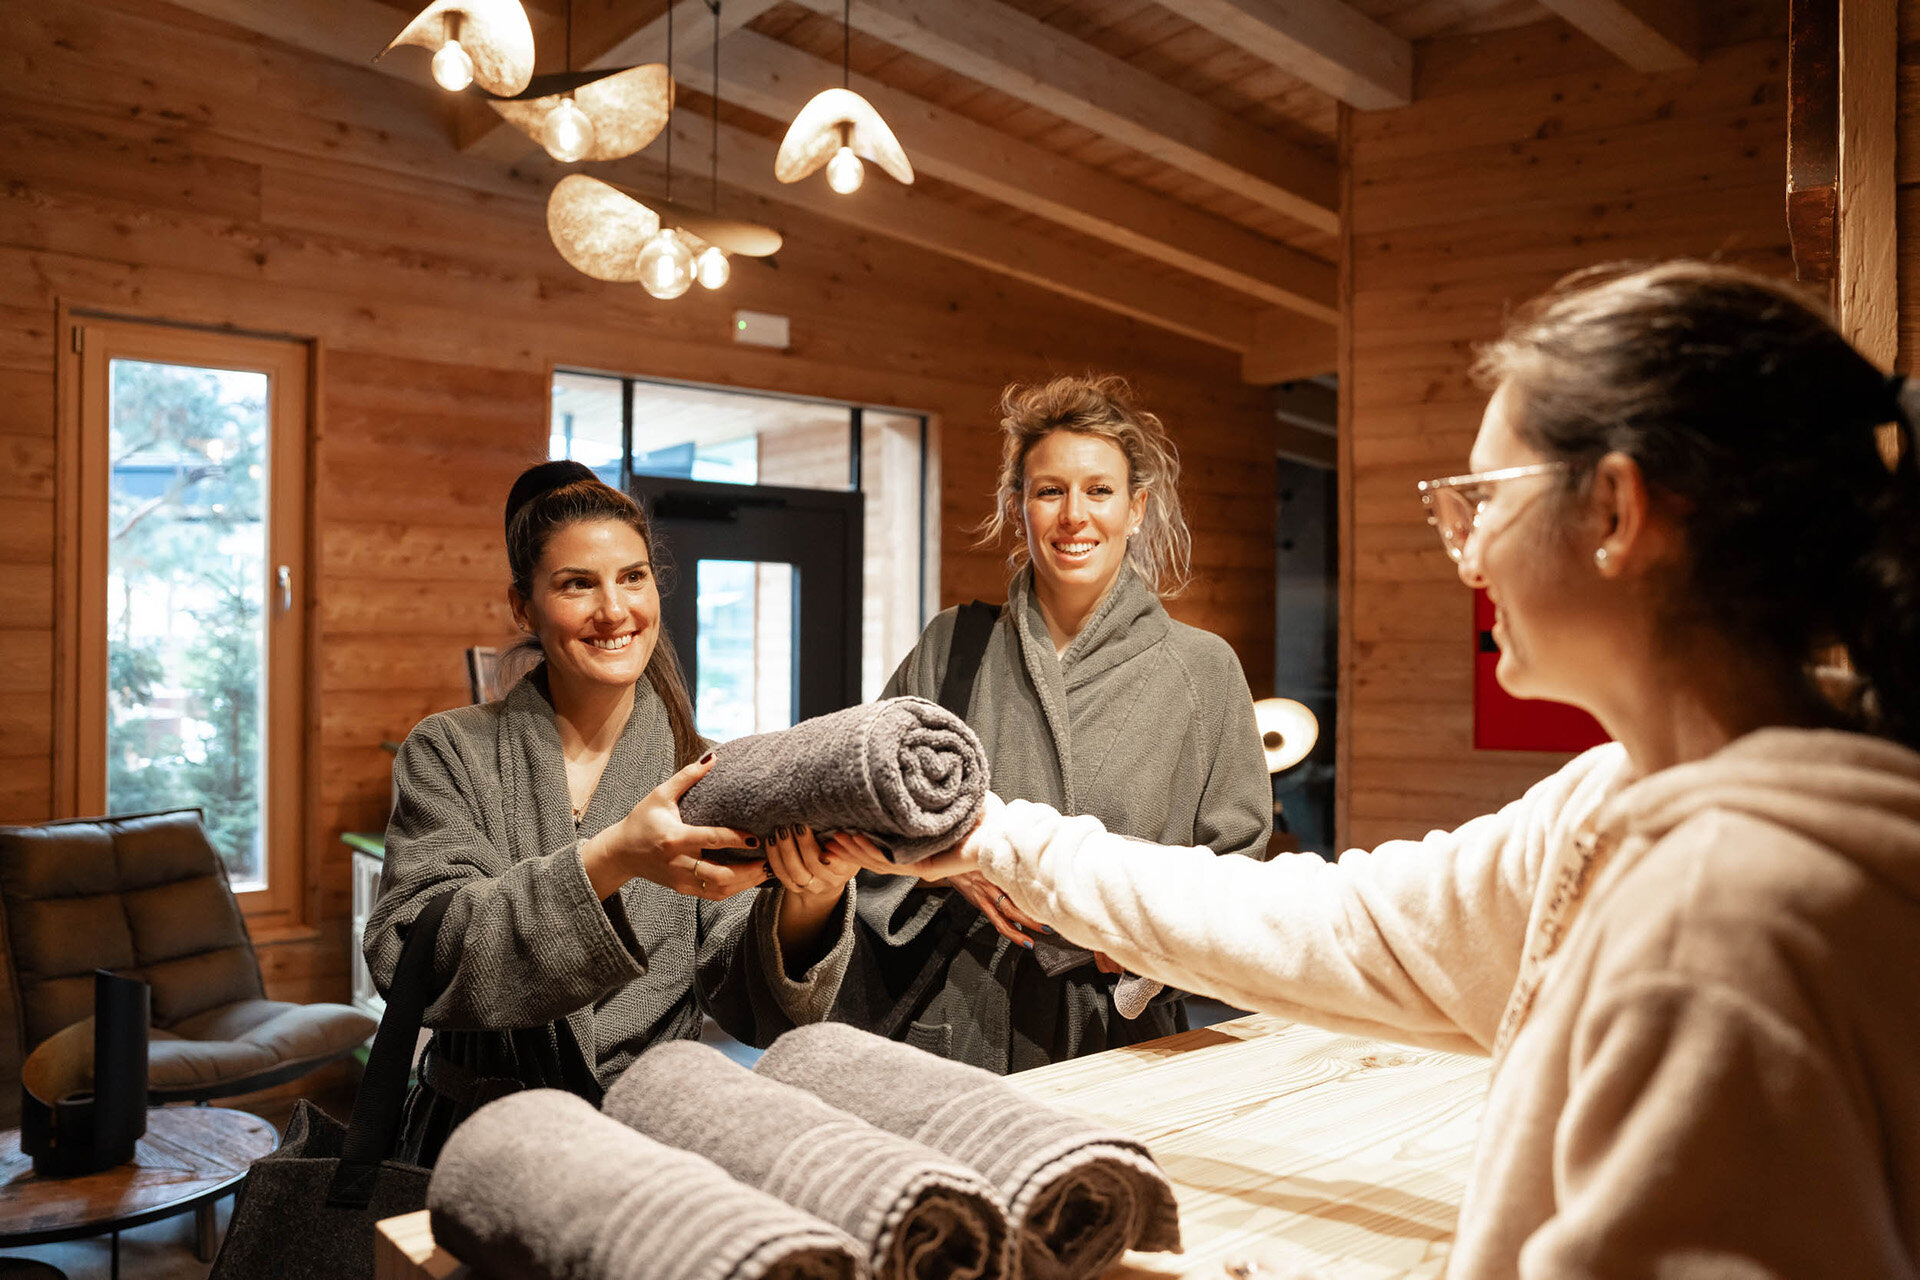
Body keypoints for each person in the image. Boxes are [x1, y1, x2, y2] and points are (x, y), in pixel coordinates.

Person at [832, 262, 1920, 1275]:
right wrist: (996, 839)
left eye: (1485, 495)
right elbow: (1340, 923)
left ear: (1616, 512)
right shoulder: (1609, 800)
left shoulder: (1726, 922)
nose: (1466, 546)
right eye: (1047, 492)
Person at [364, 461, 856, 1164]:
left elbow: (750, 1000)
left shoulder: (704, 769)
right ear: (522, 606)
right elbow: (414, 955)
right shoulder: (451, 751)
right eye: (576, 584)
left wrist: (811, 898)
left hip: (648, 1145)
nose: (615, 610)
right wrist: (612, 857)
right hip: (475, 1146)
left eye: (632, 577)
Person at [836, 375, 1272, 1072]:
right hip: (956, 1017)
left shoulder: (1203, 669)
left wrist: (1143, 940)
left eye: (1099, 491)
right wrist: (940, 869)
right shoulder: (956, 647)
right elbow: (862, 800)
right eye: (1049, 491)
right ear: (1019, 509)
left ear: (1137, 509)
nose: (1075, 515)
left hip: (1126, 1034)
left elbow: (1237, 862)